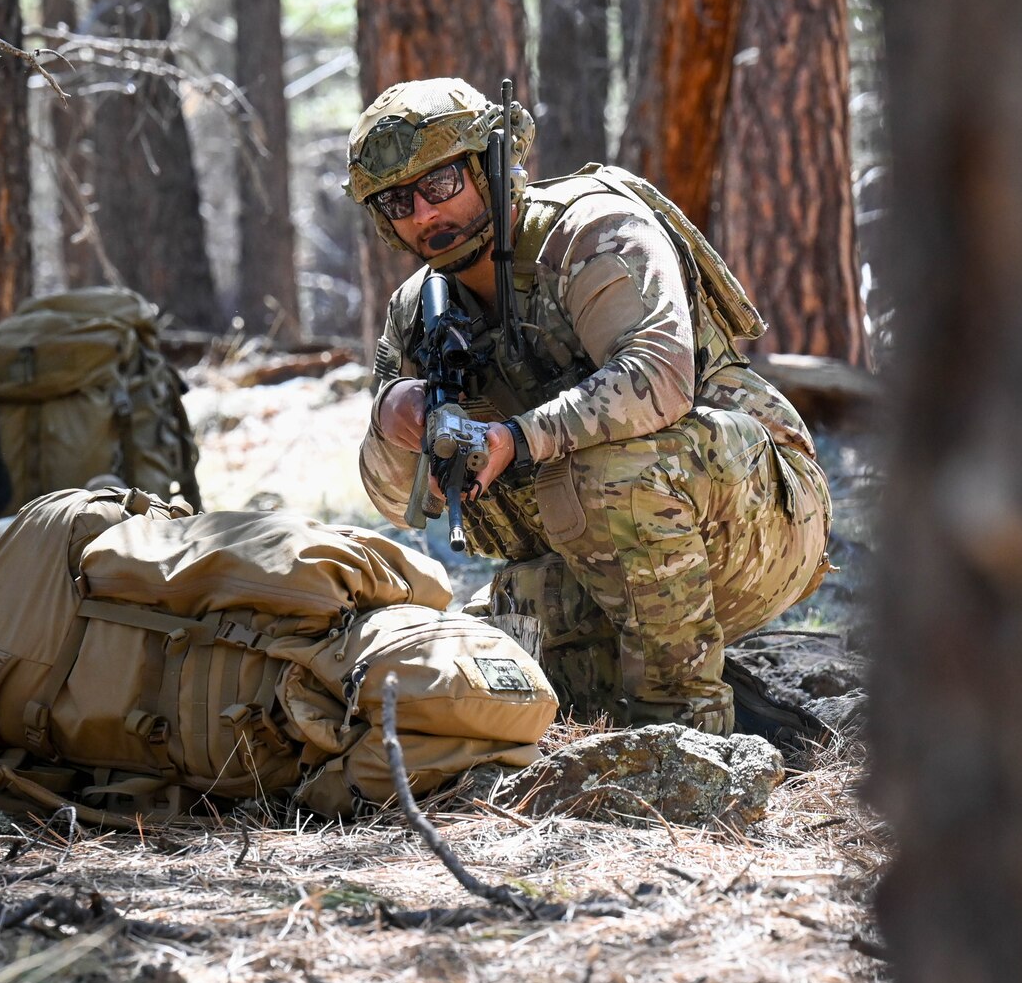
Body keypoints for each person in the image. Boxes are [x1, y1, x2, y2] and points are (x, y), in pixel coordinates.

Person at [351, 77, 833, 736]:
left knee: (606, 474)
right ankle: (737, 711)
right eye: (398, 200)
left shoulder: (591, 232)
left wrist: (517, 439)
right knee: (454, 670)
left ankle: (687, 730)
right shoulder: (418, 312)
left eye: (439, 185)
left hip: (752, 521)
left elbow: (660, 377)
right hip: (594, 559)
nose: (423, 215)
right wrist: (395, 421)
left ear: (489, 163)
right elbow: (392, 502)